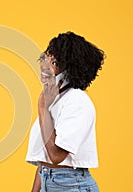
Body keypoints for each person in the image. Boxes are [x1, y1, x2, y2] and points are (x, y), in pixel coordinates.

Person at [25, 32, 104, 192]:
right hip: (48, 179)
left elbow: (56, 156)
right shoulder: (54, 100)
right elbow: (45, 160)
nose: (44, 65)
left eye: (53, 62)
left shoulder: (77, 101)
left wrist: (42, 108)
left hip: (72, 185)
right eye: (45, 58)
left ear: (70, 69)